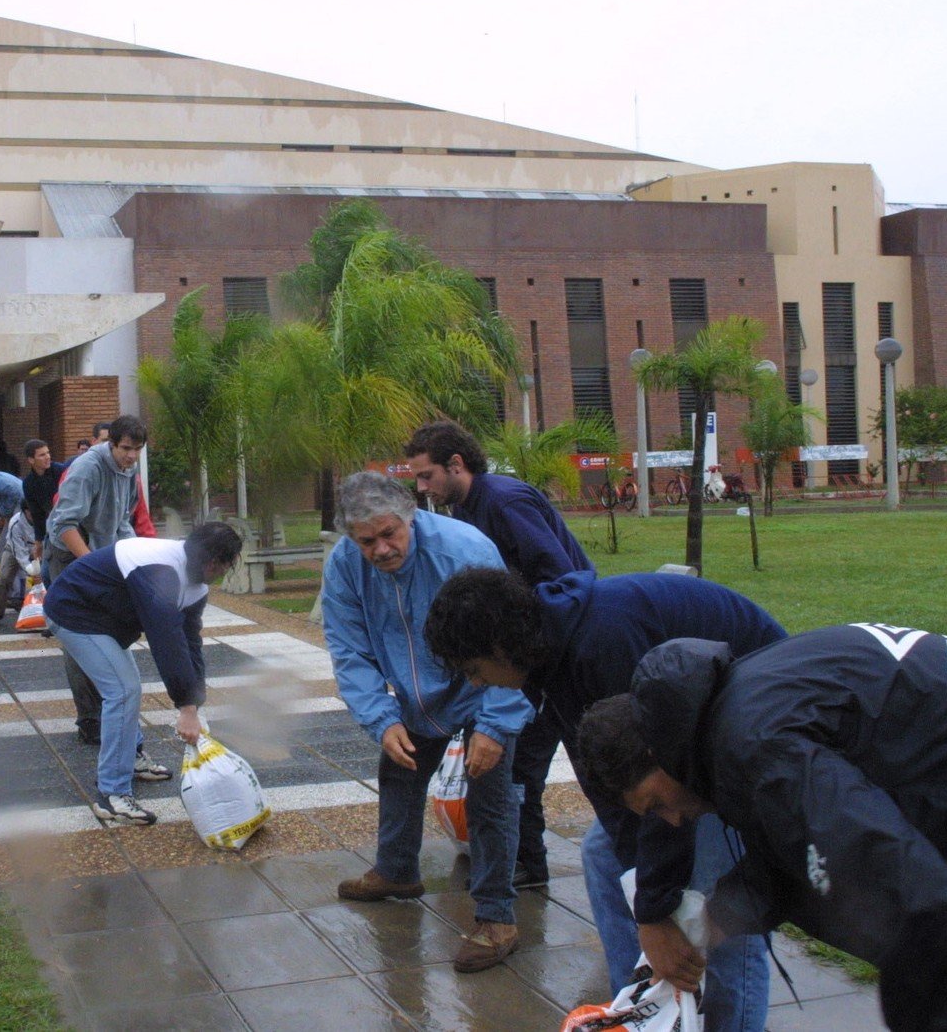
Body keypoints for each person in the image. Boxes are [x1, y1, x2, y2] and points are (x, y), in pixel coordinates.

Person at [423, 567, 786, 1031]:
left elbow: (659, 781)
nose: (475, 684)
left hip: (749, 740)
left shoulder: (603, 643)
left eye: (474, 669)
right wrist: (649, 907)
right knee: (603, 856)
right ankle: (641, 1010)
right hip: (690, 749)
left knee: (717, 902)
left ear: (499, 646)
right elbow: (610, 784)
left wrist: (656, 913)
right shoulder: (548, 657)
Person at [576, 624, 947, 1032]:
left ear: (656, 752)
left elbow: (918, 900)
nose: (674, 820)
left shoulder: (756, 747)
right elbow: (795, 846)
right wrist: (712, 918)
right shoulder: (732, 709)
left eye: (657, 803)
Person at [320, 471, 533, 973]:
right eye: (366, 541)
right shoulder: (346, 566)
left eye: (390, 534)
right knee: (399, 769)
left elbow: (514, 643)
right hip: (416, 694)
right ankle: (396, 870)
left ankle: (497, 916)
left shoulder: (465, 552)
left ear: (411, 517)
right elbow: (348, 649)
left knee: (491, 796)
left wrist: (496, 726)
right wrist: (381, 718)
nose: (381, 549)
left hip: (486, 684)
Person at [405, 420, 591, 890]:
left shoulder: (504, 501)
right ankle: (527, 861)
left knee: (529, 763)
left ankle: (534, 863)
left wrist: (524, 648)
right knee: (521, 766)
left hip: (555, 652)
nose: (419, 486)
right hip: (524, 658)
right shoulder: (468, 509)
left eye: (426, 476)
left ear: (456, 464)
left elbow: (561, 577)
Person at [43, 522, 243, 825]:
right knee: (123, 691)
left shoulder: (196, 586)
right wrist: (185, 707)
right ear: (213, 562)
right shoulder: (159, 569)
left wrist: (195, 704)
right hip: (73, 612)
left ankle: (130, 757)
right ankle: (112, 795)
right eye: (224, 566)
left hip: (103, 619)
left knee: (127, 687)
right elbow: (166, 641)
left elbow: (190, 642)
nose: (222, 573)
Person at [47, 415, 147, 744]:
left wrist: (134, 560)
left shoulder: (130, 469)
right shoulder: (88, 468)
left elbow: (122, 521)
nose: (132, 457)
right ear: (111, 444)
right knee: (80, 632)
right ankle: (89, 718)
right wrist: (92, 567)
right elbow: (64, 524)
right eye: (126, 449)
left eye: (138, 450)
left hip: (102, 554)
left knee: (108, 630)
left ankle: (109, 707)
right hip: (69, 552)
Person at [0, 507, 35, 628]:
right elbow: (19, 553)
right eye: (31, 511)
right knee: (4, 578)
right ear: (25, 511)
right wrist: (31, 570)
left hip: (39, 549)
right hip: (13, 549)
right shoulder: (15, 522)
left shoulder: (46, 517)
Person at [21, 439, 65, 576]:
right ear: (31, 460)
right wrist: (38, 541)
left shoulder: (60, 471)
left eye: (48, 453)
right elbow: (37, 513)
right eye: (42, 455)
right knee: (46, 574)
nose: (48, 457)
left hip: (71, 524)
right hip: (51, 528)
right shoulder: (29, 483)